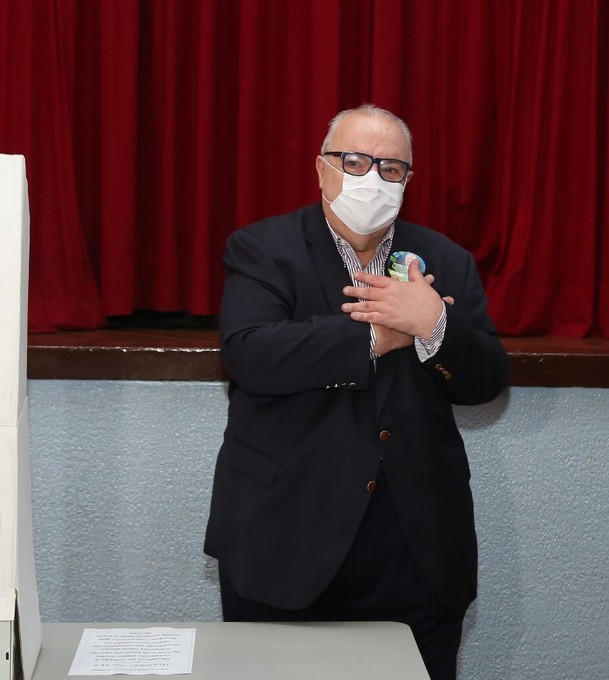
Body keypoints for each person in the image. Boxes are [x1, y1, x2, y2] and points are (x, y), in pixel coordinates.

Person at [203, 104, 509, 680]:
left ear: (407, 180)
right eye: (355, 161)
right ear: (322, 170)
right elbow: (251, 356)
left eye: (391, 168)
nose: (373, 177)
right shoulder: (262, 248)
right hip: (286, 538)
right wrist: (379, 334)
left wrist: (435, 326)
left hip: (415, 548)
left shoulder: (445, 260)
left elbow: (486, 380)